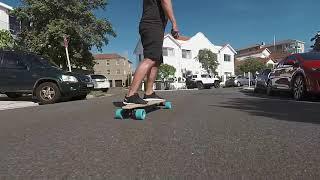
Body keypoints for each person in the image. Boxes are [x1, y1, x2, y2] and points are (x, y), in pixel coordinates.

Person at [124, 0, 180, 105]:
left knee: (156, 60)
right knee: (150, 59)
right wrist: (174, 24)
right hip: (152, 25)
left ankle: (149, 92)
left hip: (153, 26)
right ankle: (130, 95)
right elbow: (165, 1)